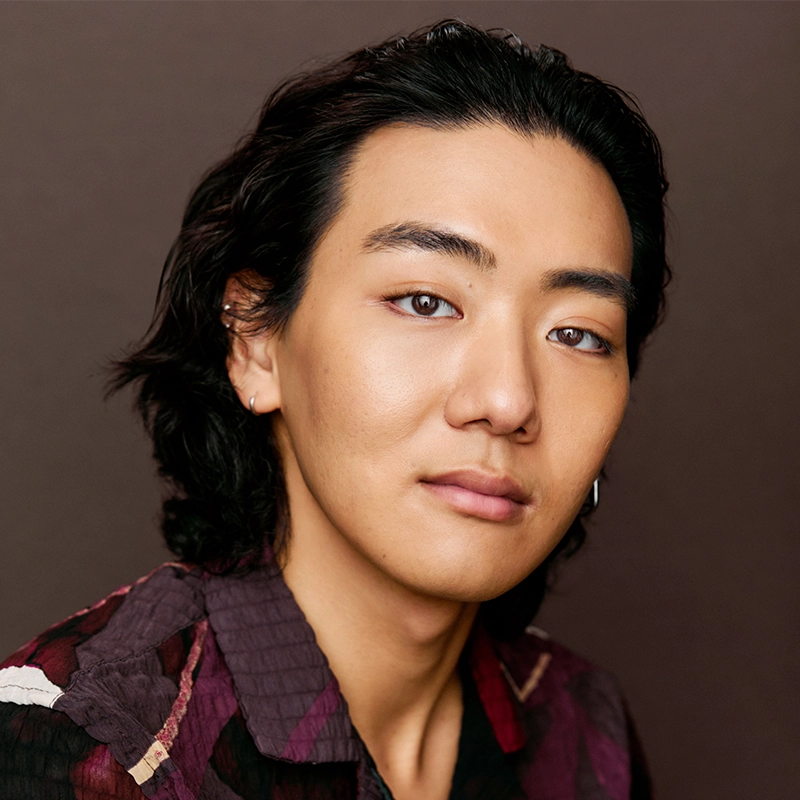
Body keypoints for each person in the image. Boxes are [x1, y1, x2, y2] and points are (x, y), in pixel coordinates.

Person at [0, 19, 668, 800]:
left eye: (579, 335)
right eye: (425, 300)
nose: (507, 401)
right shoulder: (79, 745)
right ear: (256, 340)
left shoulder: (582, 724)